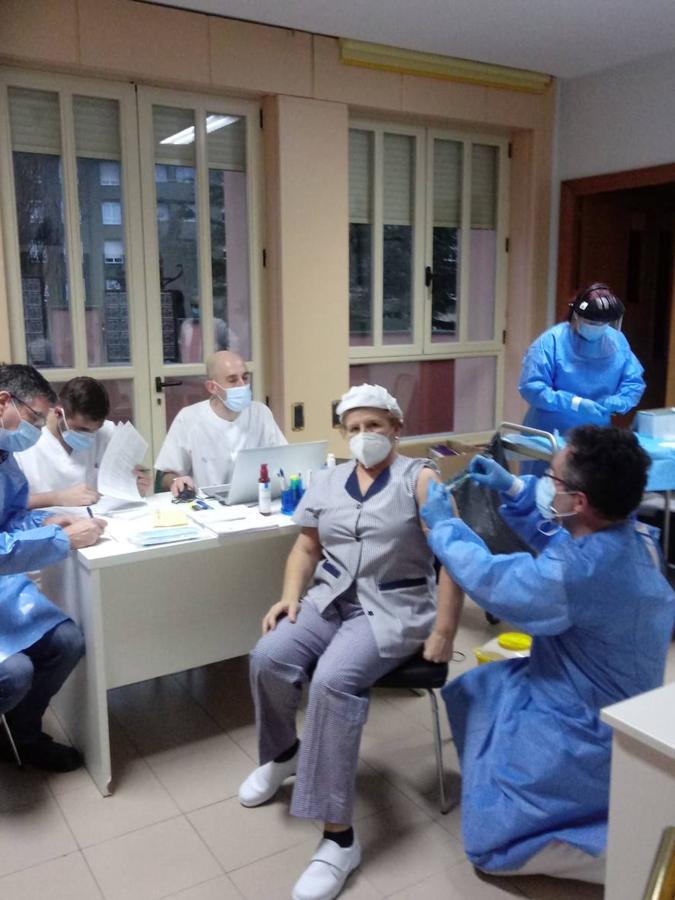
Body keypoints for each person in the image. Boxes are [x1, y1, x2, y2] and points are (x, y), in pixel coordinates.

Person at [420, 426, 674, 884]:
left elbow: (495, 580)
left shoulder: (576, 573)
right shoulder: (634, 536)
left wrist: (445, 527)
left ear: (578, 501)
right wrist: (514, 489)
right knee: (480, 687)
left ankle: (622, 851)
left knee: (490, 847)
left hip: (588, 721)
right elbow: (561, 541)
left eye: (550, 479)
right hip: (593, 684)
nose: (544, 483)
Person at [237, 383, 462, 900]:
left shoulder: (421, 480)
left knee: (333, 683)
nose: (364, 437)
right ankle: (284, 752)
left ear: (396, 429)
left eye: (374, 427)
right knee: (268, 656)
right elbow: (305, 545)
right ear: (343, 433)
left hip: (393, 609)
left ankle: (338, 840)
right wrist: (289, 598)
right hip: (329, 597)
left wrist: (446, 629)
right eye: (354, 428)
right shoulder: (328, 479)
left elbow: (454, 559)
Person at [0, 365, 106, 771]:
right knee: (15, 671)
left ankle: (25, 734)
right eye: (31, 419)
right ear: (5, 401)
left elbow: (10, 519)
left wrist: (46, 523)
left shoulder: (5, 455)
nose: (33, 430)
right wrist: (63, 540)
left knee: (67, 642)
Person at [519, 283, 645, 473]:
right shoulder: (552, 341)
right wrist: (575, 403)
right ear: (576, 316)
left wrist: (620, 400)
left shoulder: (616, 341)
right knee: (543, 492)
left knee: (589, 492)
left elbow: (633, 381)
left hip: (595, 437)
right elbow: (532, 387)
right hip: (550, 435)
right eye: (591, 323)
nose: (596, 328)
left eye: (601, 324)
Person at [155, 350, 286, 497]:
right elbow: (165, 475)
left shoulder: (260, 413)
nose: (242, 385)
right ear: (212, 387)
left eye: (244, 378)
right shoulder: (189, 418)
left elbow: (285, 459)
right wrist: (177, 480)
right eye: (232, 380)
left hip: (255, 500)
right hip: (208, 505)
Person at [15, 376, 151, 508]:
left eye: (95, 430)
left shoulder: (107, 432)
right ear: (58, 413)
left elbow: (121, 485)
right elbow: (8, 503)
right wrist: (57, 498)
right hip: (44, 522)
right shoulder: (26, 438)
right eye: (81, 429)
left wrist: (134, 487)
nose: (88, 436)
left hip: (99, 519)